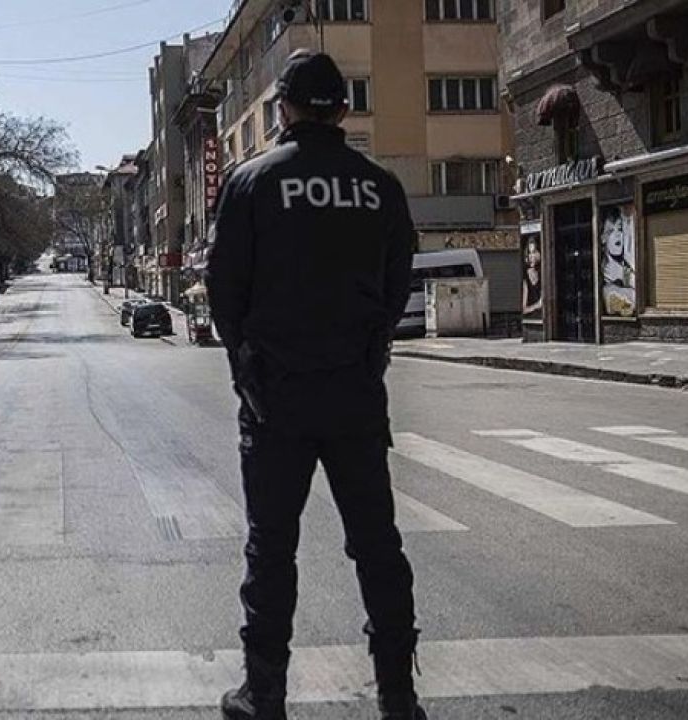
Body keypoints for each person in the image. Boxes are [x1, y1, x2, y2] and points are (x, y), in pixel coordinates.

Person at [206, 50, 424, 720]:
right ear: (344, 110)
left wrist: (246, 364)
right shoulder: (379, 186)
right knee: (378, 547)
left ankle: (264, 693)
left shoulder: (250, 182)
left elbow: (223, 289)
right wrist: (372, 349)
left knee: (272, 549)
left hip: (276, 398)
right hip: (354, 395)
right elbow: (397, 280)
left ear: (284, 110)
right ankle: (398, 695)